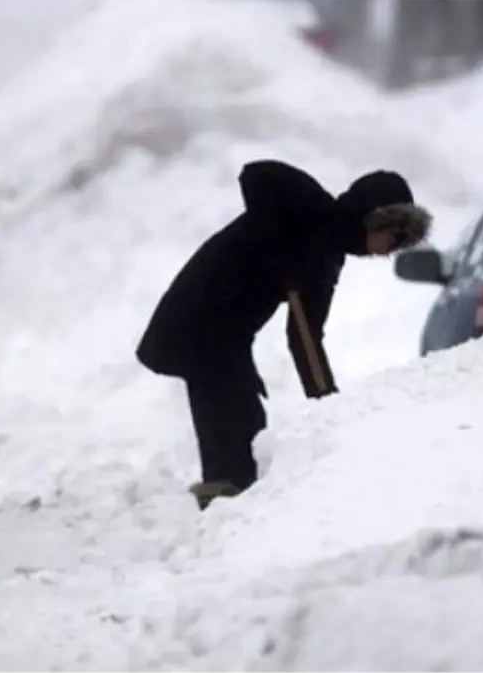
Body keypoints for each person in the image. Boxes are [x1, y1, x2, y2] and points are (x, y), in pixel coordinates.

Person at [136, 160, 432, 510]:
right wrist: (274, 246)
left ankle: (225, 502)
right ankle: (225, 504)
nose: (391, 250)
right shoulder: (311, 211)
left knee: (243, 417)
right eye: (395, 236)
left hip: (225, 335)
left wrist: (327, 406)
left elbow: (304, 337)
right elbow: (256, 174)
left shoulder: (325, 262)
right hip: (198, 317)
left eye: (402, 245)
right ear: (373, 217)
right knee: (235, 413)